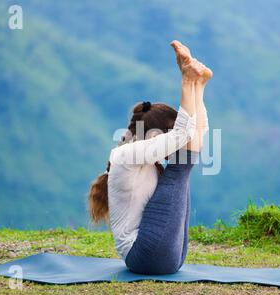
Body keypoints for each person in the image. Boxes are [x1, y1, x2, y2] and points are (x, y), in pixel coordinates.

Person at [88, 40, 213, 274]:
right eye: (168, 135)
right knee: (180, 167)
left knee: (183, 163)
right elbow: (184, 134)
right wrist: (186, 81)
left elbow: (196, 133)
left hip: (167, 255)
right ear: (155, 136)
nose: (175, 144)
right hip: (144, 255)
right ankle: (193, 80)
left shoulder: (147, 161)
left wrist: (199, 87)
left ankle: (197, 82)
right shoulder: (125, 155)